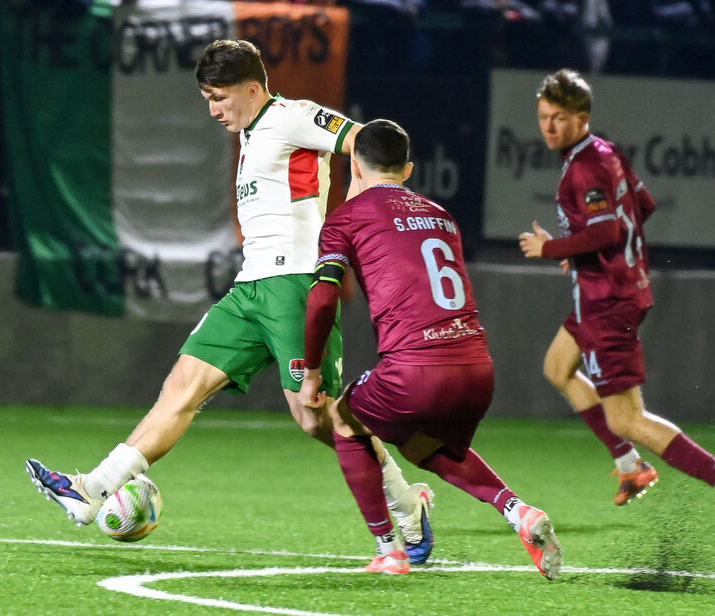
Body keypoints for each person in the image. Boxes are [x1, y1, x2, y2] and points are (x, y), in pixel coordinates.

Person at [25, 39, 434, 563]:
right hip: (249, 289)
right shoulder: (251, 134)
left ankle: (407, 504)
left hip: (295, 287)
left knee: (317, 419)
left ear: (252, 87)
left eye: (219, 97)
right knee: (181, 387)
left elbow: (365, 141)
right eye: (207, 99)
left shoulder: (293, 117)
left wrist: (356, 212)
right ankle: (92, 490)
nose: (213, 110)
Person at [299, 119, 562, 578]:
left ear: (354, 168)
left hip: (416, 370)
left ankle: (388, 550)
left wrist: (312, 372)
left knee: (342, 419)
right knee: (423, 448)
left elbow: (323, 296)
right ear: (409, 169)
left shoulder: (346, 215)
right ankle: (518, 511)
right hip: (478, 369)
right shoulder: (442, 215)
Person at [519, 68, 715, 505]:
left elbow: (606, 232)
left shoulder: (584, 168)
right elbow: (643, 205)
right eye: (544, 116)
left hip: (607, 302)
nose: (549, 126)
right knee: (558, 367)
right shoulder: (605, 152)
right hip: (608, 292)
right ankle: (629, 467)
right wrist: (588, 253)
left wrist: (554, 249)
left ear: (583, 117)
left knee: (628, 418)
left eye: (560, 117)